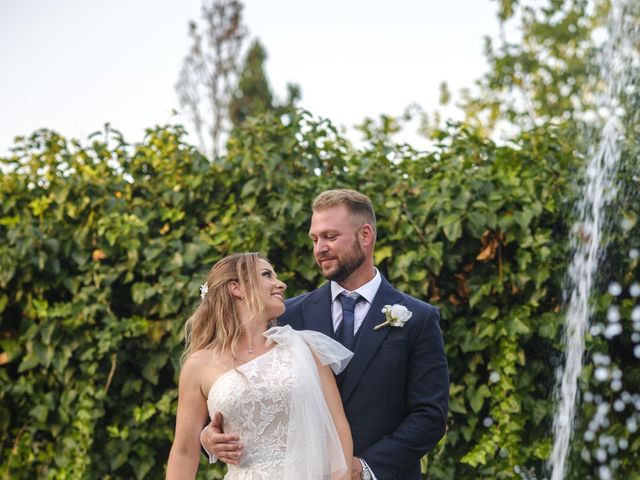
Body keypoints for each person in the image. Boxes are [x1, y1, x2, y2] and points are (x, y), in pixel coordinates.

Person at [203, 190, 449, 480]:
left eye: (330, 237)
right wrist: (209, 435)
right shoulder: (285, 315)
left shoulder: (418, 318)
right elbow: (240, 384)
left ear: (365, 235)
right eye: (314, 239)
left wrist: (363, 468)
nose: (319, 248)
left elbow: (430, 416)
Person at [166, 252, 354, 479]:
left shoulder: (305, 348)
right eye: (267, 275)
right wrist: (207, 436)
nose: (281, 284)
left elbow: (337, 427)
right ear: (237, 288)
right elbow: (184, 452)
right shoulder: (198, 365)